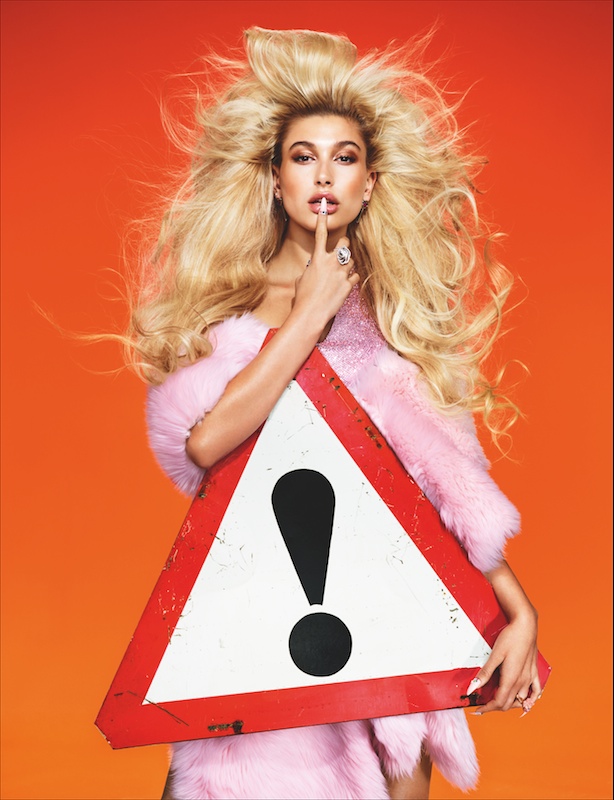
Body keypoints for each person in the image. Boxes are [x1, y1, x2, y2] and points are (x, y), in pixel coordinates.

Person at [126, 27, 541, 800]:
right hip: (263, 621)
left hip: (384, 623)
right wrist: (309, 314)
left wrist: (518, 613)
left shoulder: (391, 319)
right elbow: (206, 445)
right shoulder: (233, 306)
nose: (324, 174)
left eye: (344, 157)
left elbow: (431, 487)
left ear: (369, 182)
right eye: (303, 156)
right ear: (275, 178)